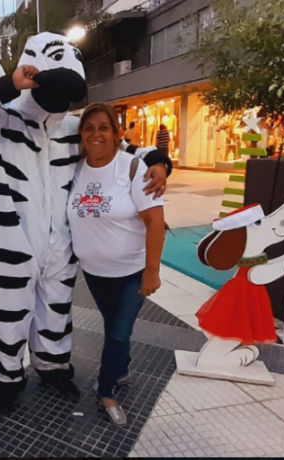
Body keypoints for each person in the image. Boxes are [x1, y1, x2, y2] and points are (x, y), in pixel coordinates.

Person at [0, 31, 173, 415]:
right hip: (12, 241)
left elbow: (121, 147)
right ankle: (6, 381)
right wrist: (11, 83)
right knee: (10, 317)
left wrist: (158, 161)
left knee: (55, 310)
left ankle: (53, 367)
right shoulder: (1, 123)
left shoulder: (74, 129)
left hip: (60, 244)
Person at [69, 103, 165, 426]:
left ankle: (106, 390)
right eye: (89, 127)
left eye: (104, 127)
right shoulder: (75, 169)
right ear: (81, 134)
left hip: (132, 272)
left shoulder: (134, 169)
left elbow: (155, 221)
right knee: (115, 327)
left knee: (118, 333)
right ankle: (121, 370)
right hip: (94, 273)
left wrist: (152, 270)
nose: (96, 134)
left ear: (116, 133)